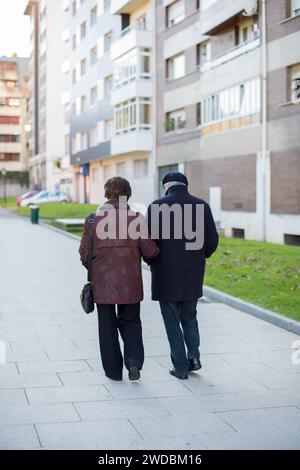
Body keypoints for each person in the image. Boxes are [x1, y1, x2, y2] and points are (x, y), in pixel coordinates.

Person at [79, 177, 159, 381]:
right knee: (131, 321)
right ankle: (133, 363)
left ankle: (113, 372)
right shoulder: (136, 218)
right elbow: (150, 251)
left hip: (103, 283)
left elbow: (83, 253)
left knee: (106, 327)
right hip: (130, 282)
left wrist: (96, 269)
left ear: (106, 194)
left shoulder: (92, 219)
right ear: (128, 195)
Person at [146, 172, 219, 380]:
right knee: (190, 316)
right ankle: (194, 358)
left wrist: (152, 261)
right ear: (185, 185)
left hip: (165, 273)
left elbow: (149, 242)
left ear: (166, 186)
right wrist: (200, 255)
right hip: (192, 273)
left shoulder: (156, 206)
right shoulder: (201, 205)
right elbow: (212, 239)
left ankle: (180, 367)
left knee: (171, 321)